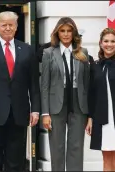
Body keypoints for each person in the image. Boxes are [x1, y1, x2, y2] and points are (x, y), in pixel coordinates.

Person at [0, 11, 41, 172]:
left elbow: (34, 84)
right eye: (4, 25)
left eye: (11, 25)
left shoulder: (27, 49)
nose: (8, 28)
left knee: (16, 161)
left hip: (19, 114)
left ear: (17, 26)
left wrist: (36, 110)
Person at [40, 17, 90, 171]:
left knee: (76, 147)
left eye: (69, 31)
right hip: (56, 104)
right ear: (57, 33)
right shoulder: (48, 53)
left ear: (74, 33)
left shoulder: (83, 52)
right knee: (57, 147)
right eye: (63, 31)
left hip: (78, 103)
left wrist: (89, 114)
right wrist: (45, 113)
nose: (66, 34)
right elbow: (44, 85)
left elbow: (87, 84)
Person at [85, 28, 115, 171]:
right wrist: (90, 118)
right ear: (100, 43)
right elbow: (91, 94)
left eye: (113, 41)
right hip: (101, 119)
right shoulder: (95, 66)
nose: (109, 44)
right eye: (106, 41)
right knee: (106, 159)